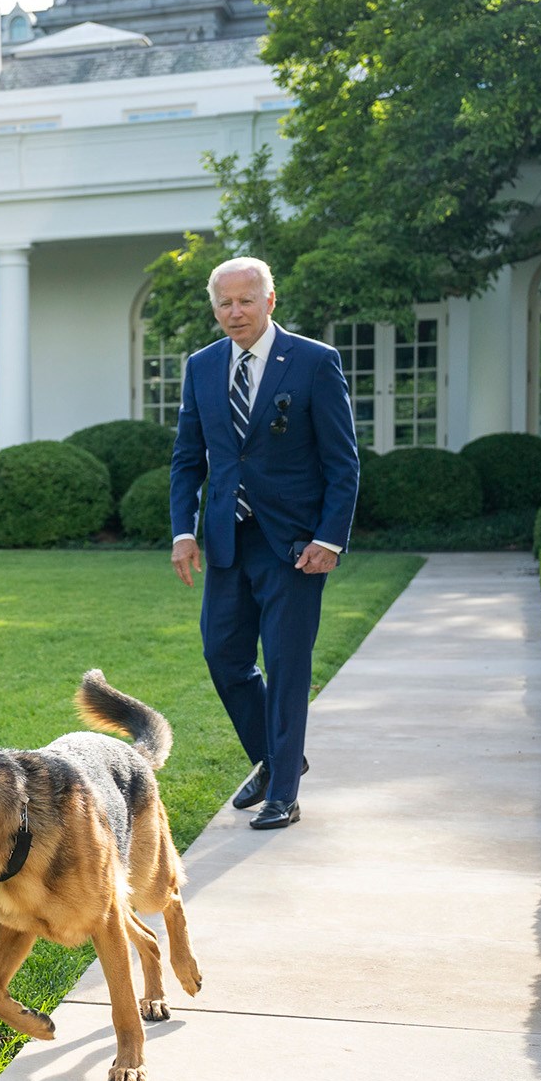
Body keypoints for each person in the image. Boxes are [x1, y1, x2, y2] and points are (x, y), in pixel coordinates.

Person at [169, 257, 359, 829]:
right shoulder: (201, 366)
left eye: (245, 301)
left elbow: (342, 462)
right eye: (223, 302)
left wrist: (330, 538)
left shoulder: (313, 362)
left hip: (296, 547)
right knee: (223, 657)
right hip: (227, 540)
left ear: (269, 301)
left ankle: (283, 792)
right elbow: (187, 459)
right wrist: (184, 530)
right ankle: (280, 759)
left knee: (285, 664)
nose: (234, 312)